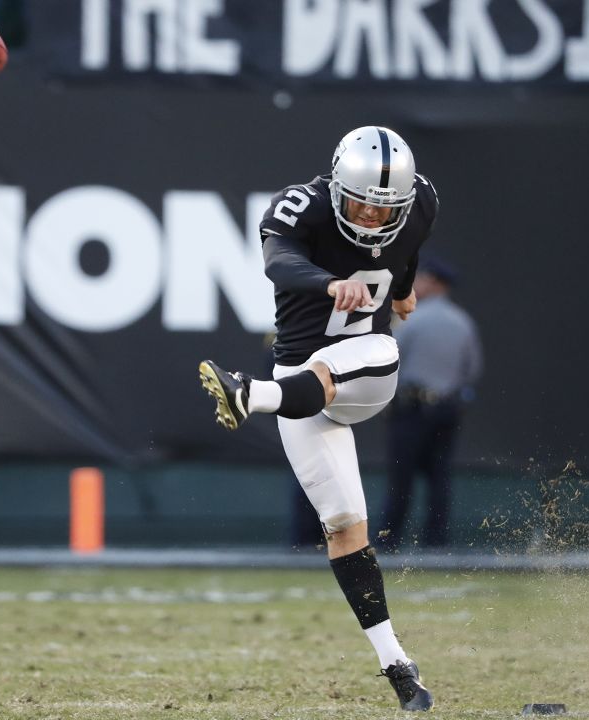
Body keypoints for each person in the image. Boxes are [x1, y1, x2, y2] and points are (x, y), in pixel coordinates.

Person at [198, 126, 439, 712]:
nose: (372, 216)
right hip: (299, 382)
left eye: (386, 207)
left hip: (367, 372)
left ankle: (248, 395)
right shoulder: (297, 207)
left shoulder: (422, 201)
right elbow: (278, 263)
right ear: (336, 184)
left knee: (377, 350)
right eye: (361, 201)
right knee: (344, 527)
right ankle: (398, 666)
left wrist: (402, 292)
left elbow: (403, 254)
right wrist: (330, 283)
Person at [377, 257, 482, 550]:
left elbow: (391, 362)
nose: (416, 284)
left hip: (411, 407)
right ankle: (436, 542)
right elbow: (472, 370)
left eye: (421, 279)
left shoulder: (413, 320)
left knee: (401, 478)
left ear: (435, 282)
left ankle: (389, 540)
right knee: (439, 477)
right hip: (447, 409)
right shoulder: (463, 322)